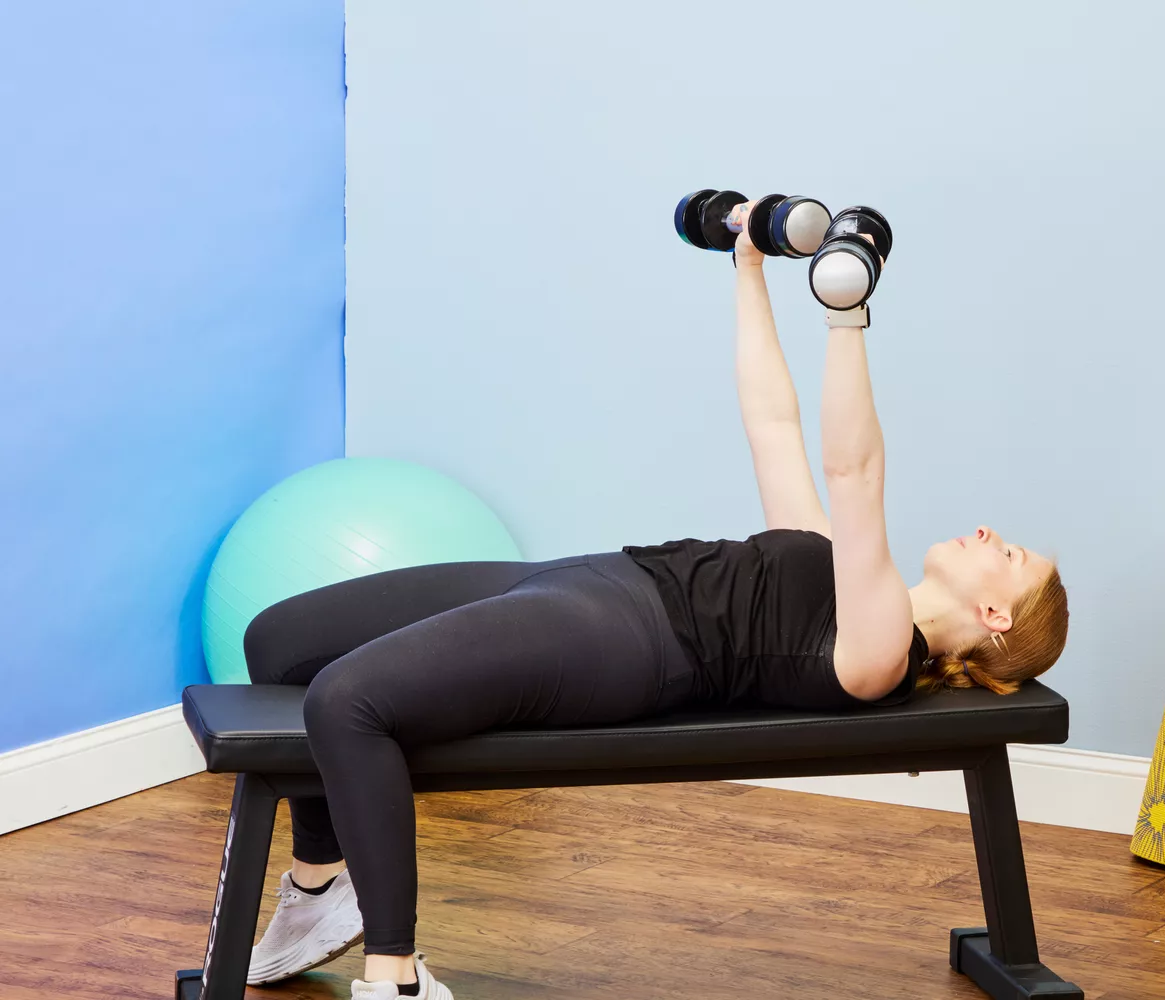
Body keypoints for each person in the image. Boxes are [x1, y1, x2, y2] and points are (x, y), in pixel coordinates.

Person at [241, 202, 1069, 1000]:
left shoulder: (881, 651)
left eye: (1011, 556)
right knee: (277, 641)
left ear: (996, 619)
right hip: (591, 578)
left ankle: (395, 972)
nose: (990, 533)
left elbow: (855, 473)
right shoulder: (846, 572)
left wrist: (845, 318)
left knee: (347, 701)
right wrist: (749, 265)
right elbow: (772, 425)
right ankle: (320, 882)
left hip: (617, 642)